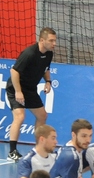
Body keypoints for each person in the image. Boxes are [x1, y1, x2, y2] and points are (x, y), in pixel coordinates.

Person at [6, 27, 57, 161]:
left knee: (42, 116)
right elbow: (14, 72)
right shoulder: (29, 53)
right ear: (42, 40)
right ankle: (12, 152)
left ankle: (39, 148)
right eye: (51, 41)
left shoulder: (49, 53)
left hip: (30, 89)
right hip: (15, 87)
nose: (54, 43)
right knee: (20, 116)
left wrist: (48, 81)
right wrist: (18, 91)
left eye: (55, 41)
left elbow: (46, 69)